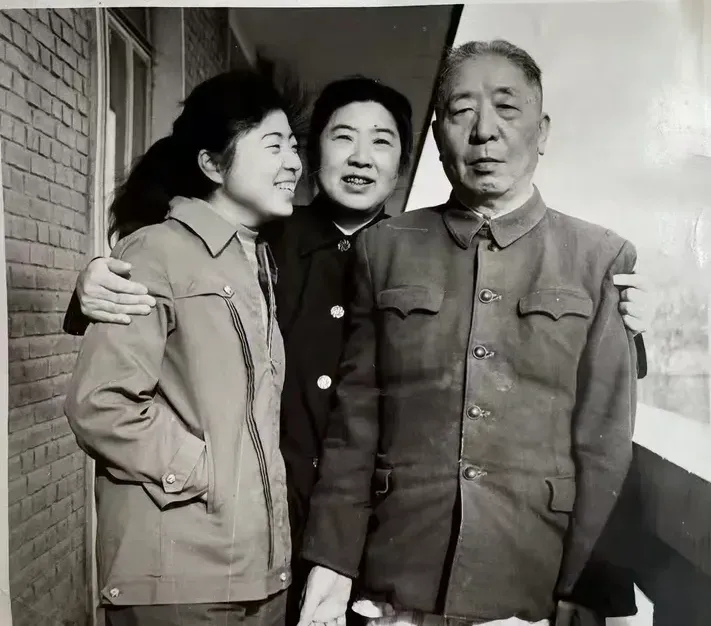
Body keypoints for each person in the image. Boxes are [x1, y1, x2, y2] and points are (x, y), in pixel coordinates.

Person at [63, 75, 652, 625]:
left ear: (406, 160)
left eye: (383, 141)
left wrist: (633, 327)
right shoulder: (255, 241)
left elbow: (521, 351)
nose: (362, 157)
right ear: (313, 152)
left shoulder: (425, 253)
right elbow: (165, 272)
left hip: (372, 552)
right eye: (342, 137)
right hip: (247, 535)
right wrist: (91, 285)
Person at [296, 40, 641, 626]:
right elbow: (356, 423)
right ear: (437, 136)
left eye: (507, 108)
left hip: (530, 580)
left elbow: (605, 443)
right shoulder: (384, 248)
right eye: (461, 112)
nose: (485, 132)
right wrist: (331, 561)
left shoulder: (600, 257)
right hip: (398, 575)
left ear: (542, 130)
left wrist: (588, 592)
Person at [63, 68, 303, 626]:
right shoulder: (156, 251)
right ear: (212, 164)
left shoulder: (260, 257)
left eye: (294, 146)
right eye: (274, 145)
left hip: (262, 576)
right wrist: (203, 471)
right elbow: (101, 404)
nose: (294, 162)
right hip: (177, 578)